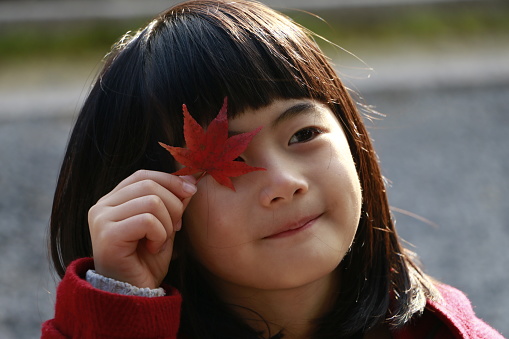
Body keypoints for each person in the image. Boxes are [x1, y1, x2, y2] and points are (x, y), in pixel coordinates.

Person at [41, 1, 504, 338]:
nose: (283, 183)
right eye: (220, 162)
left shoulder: (447, 332)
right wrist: (121, 306)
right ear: (151, 203)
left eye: (303, 135)